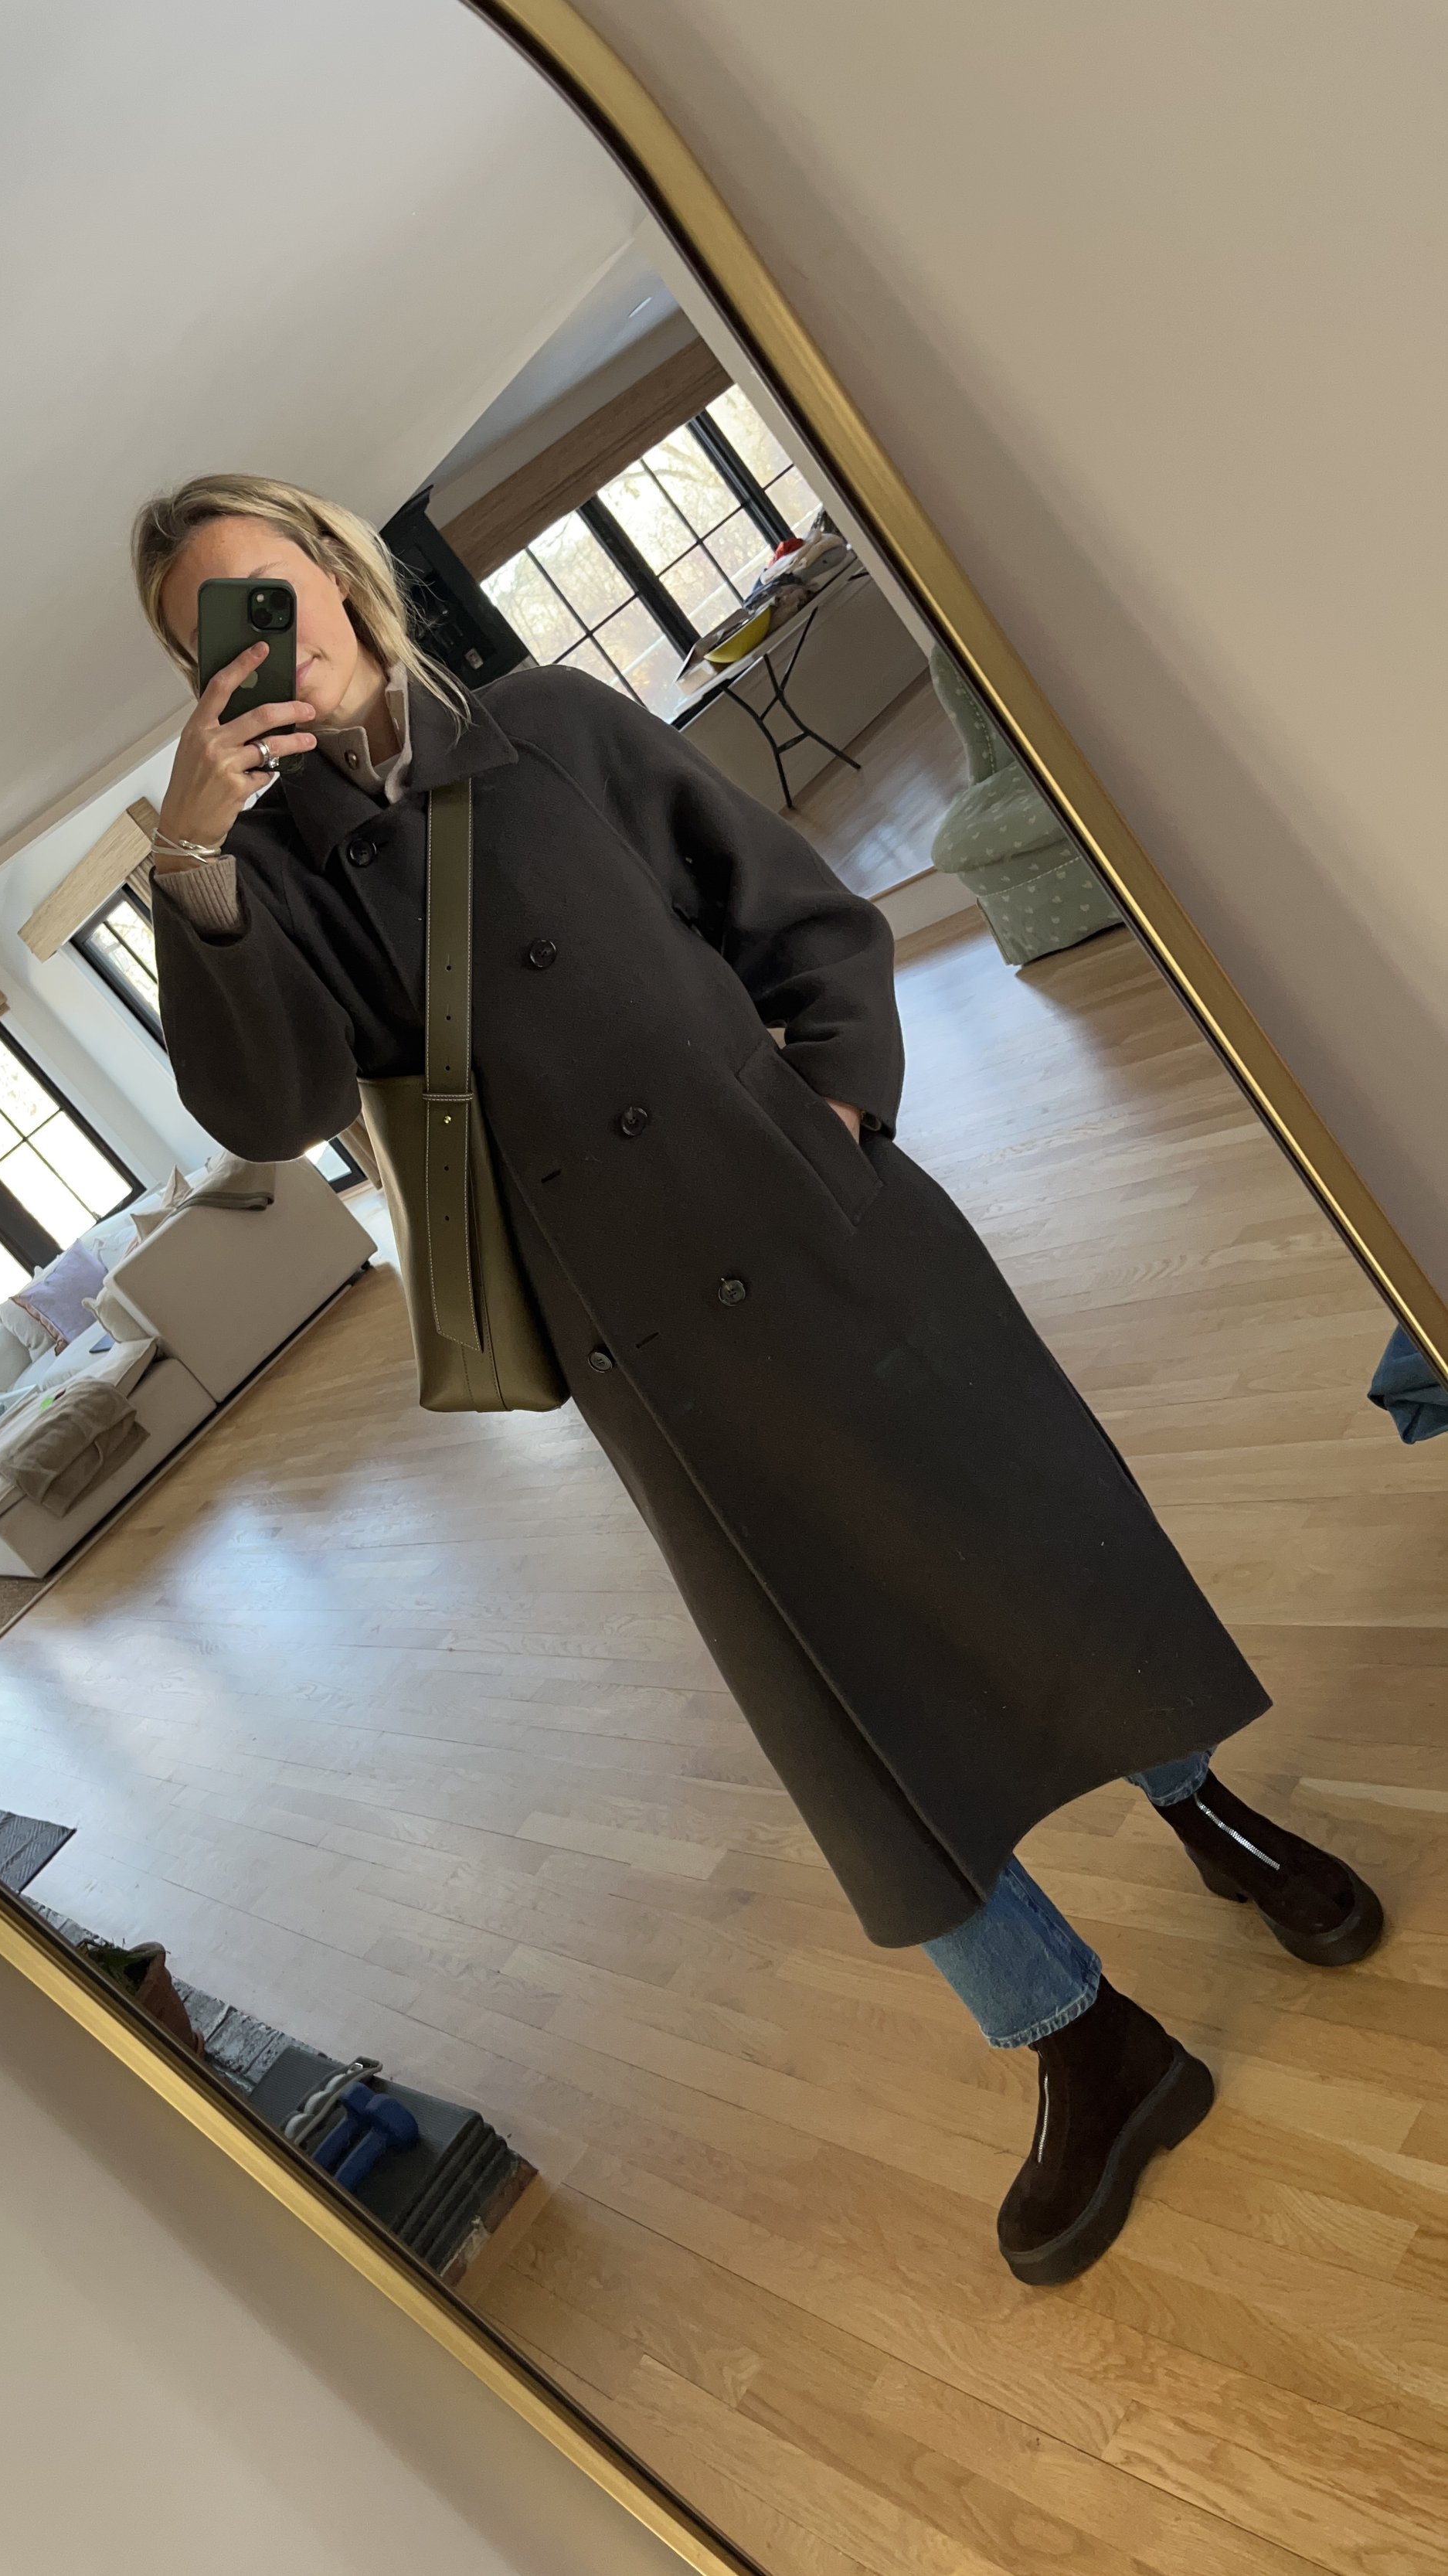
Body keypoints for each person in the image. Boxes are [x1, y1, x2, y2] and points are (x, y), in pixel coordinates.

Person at [125, 471, 1385, 2286]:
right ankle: (1071, 2033)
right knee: (838, 1696)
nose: (259, 651)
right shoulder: (273, 879)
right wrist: (188, 864)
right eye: (205, 641)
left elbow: (793, 911)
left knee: (1024, 1539)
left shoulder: (551, 724)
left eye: (265, 596)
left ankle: (1204, 1805)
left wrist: (841, 1101)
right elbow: (274, 1108)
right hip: (646, 1337)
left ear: (332, 573)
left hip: (821, 1224)